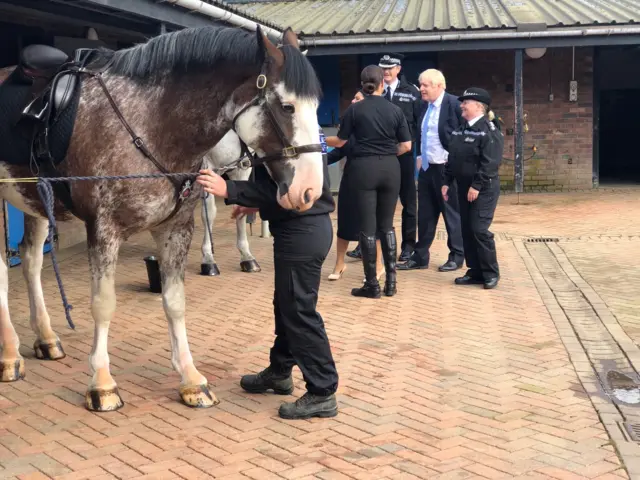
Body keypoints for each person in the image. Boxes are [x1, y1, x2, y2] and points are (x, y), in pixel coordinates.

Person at [196, 134, 339, 420]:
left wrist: (230, 188)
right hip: (297, 229)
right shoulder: (296, 132)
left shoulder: (296, 138)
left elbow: (294, 191)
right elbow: (279, 189)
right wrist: (257, 205)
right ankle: (280, 371)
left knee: (299, 310)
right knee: (286, 305)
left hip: (303, 232)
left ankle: (323, 391)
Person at [326, 65, 412, 299]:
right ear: (382, 84)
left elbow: (341, 142)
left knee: (367, 227)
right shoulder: (395, 110)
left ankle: (372, 284)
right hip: (391, 168)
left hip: (363, 168)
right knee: (387, 225)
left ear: (363, 83)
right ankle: (391, 282)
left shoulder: (355, 111)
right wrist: (386, 152)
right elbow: (406, 146)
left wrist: (322, 139)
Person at [346, 53, 421, 263]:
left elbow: (419, 124)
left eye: (390, 68)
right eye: (383, 69)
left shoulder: (412, 92)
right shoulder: (368, 93)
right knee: (370, 202)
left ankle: (407, 246)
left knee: (409, 201)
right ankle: (365, 244)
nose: (386, 72)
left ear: (399, 69)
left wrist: (420, 152)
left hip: (403, 154)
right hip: (374, 156)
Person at [398, 69, 465, 272]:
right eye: (421, 84)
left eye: (426, 85)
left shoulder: (453, 104)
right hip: (427, 168)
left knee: (451, 213)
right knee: (425, 214)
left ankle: (457, 255)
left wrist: (453, 160)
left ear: (439, 85)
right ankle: (420, 256)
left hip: (446, 169)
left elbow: (462, 135)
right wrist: (420, 157)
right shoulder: (422, 105)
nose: (422, 89)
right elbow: (422, 132)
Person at [442, 87, 504, 289]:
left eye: (465, 102)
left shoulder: (489, 130)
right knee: (467, 229)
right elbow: (453, 157)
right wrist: (446, 181)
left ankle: (490, 272)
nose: (461, 105)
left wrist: (476, 185)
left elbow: (490, 163)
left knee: (479, 229)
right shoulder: (461, 128)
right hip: (462, 187)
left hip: (483, 189)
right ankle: (475, 271)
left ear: (478, 107)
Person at [327, 90, 385, 283]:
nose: (353, 100)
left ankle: (378, 266)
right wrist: (315, 158)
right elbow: (336, 152)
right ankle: (339, 263)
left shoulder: (377, 127)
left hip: (372, 180)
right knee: (344, 223)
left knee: (372, 224)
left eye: (357, 98)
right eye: (353, 97)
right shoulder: (349, 126)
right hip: (351, 179)